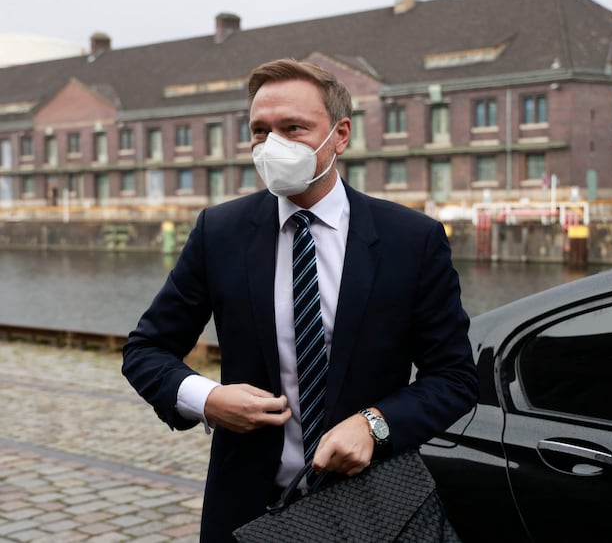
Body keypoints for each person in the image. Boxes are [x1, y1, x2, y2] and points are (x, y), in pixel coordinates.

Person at [122, 58, 479, 542]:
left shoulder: (411, 239)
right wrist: (207, 399)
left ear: (341, 134)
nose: (274, 146)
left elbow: (454, 378)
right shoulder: (220, 232)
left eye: (294, 128)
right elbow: (146, 350)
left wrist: (374, 425)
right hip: (247, 507)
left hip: (371, 506)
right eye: (260, 131)